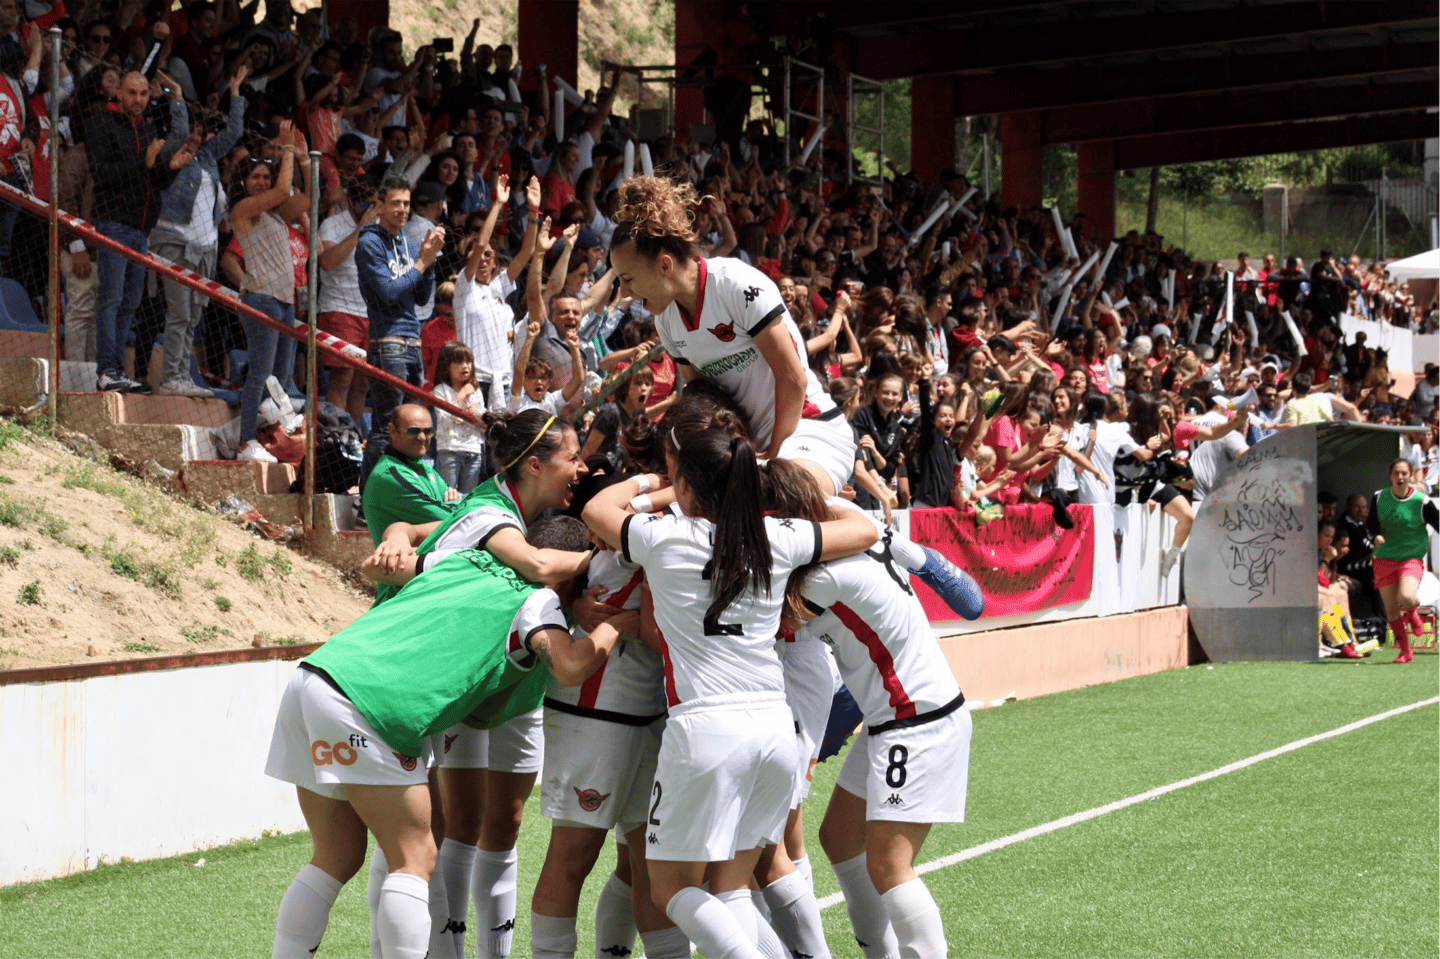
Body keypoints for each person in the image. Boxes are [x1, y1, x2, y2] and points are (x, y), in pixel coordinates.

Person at [583, 430, 878, 959]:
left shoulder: (664, 537)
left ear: (688, 487)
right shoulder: (775, 536)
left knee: (670, 887)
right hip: (772, 726)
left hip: (704, 729)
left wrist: (655, 487)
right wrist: (789, 485)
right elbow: (863, 526)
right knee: (732, 887)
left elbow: (598, 508)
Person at [265, 533, 632, 959]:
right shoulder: (539, 601)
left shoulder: (465, 559)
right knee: (415, 858)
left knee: (336, 856)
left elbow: (378, 567)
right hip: (370, 702)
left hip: (314, 676)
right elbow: (569, 667)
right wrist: (614, 626)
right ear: (574, 579)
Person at [366, 409, 593, 959]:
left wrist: (399, 531)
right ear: (535, 464)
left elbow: (422, 530)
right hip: (450, 675)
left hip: (511, 679)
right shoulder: (489, 508)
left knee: (505, 823)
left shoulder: (516, 503)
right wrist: (623, 552)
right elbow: (538, 564)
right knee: (448, 826)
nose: (583, 468)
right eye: (573, 457)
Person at [609, 176, 856, 497]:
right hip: (748, 448)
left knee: (777, 495)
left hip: (808, 427)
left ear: (665, 265)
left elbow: (793, 378)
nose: (625, 293)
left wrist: (775, 457)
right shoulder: (667, 322)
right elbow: (702, 397)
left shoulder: (735, 285)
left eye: (628, 279)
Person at [86, 70, 194, 392]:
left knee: (130, 303)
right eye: (132, 93)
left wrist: (169, 170)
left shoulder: (147, 127)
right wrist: (145, 165)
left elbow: (154, 181)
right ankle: (107, 369)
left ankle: (118, 370)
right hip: (114, 225)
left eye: (144, 94)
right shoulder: (101, 124)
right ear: (119, 91)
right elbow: (101, 174)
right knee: (111, 299)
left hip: (140, 230)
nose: (138, 99)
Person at [150, 67, 248, 397]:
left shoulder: (206, 157)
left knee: (193, 316)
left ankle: (182, 375)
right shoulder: (173, 151)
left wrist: (234, 93)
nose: (194, 136)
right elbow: (179, 130)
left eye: (199, 131)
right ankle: (170, 379)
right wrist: (177, 97)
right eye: (190, 129)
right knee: (179, 312)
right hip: (175, 240)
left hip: (205, 247)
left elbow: (234, 131)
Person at [355, 175, 446, 498]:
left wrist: (430, 261)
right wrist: (422, 261)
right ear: (379, 205)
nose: (403, 210)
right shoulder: (369, 243)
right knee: (387, 426)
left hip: (412, 342)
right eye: (395, 203)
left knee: (413, 427)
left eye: (406, 203)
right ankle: (369, 499)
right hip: (387, 342)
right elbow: (389, 292)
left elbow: (422, 299)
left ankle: (399, 494)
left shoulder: (408, 242)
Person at [230, 120, 310, 462]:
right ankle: (246, 441)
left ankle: (271, 440)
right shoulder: (243, 210)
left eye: (266, 175)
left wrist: (305, 160)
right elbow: (280, 192)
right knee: (260, 374)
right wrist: (288, 148)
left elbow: (310, 198)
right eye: (256, 177)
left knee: (281, 380)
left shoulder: (278, 216)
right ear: (244, 183)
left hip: (284, 302)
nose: (261, 182)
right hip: (260, 298)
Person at [316, 177, 380, 429]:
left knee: (363, 383)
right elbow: (328, 262)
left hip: (369, 313)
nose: (370, 209)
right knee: (342, 378)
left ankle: (352, 439)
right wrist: (360, 230)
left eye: (376, 204)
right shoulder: (332, 225)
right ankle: (335, 433)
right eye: (365, 203)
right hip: (339, 307)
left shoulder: (381, 228)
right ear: (351, 201)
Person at [1367, 458, 1439, 664]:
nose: (1400, 477)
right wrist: (1374, 537)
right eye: (1396, 473)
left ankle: (1412, 610)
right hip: (1384, 558)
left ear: (1410, 476)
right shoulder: (1379, 498)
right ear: (1390, 476)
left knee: (1406, 596)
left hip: (1410, 557)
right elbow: (1370, 525)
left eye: (1404, 473)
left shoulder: (1421, 501)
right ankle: (1405, 651)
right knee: (1390, 608)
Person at [361, 403, 459, 551]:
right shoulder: (390, 475)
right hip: (408, 568)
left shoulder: (423, 466)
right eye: (414, 431)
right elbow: (453, 519)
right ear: (392, 431)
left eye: (428, 431)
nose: (421, 437)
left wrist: (457, 503)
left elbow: (462, 503)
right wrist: (454, 504)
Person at [432, 341, 489, 494]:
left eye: (468, 361)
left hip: (474, 451)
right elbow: (445, 420)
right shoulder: (440, 391)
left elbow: (485, 425)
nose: (465, 366)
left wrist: (478, 416)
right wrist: (461, 396)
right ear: (446, 367)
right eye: (458, 362)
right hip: (450, 451)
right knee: (447, 496)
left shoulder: (476, 391)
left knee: (466, 498)